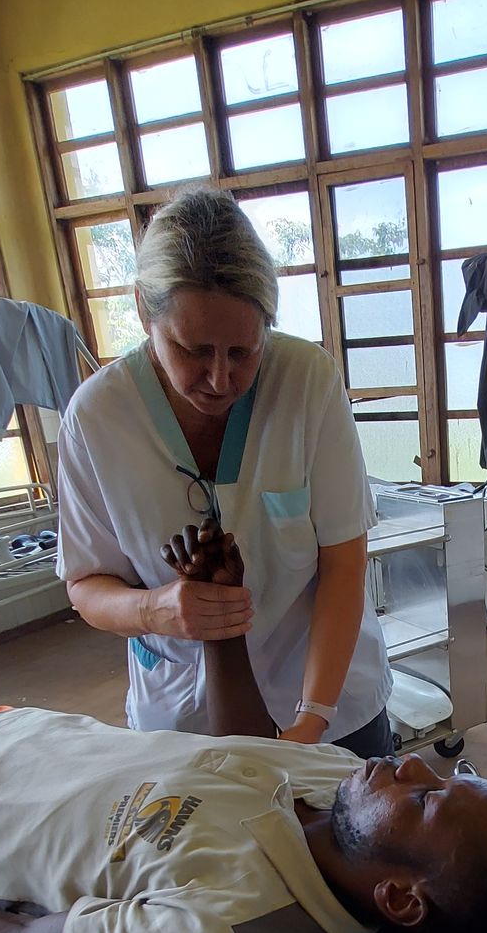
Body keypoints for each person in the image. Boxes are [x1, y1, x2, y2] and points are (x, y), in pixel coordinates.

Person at [0, 524, 487, 933]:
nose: (411, 765)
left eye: (425, 800)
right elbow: (246, 751)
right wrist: (222, 627)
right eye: (442, 779)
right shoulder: (343, 786)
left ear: (400, 899)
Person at [56, 184, 393, 755]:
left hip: (329, 705)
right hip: (179, 719)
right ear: (143, 310)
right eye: (192, 349)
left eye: (243, 352)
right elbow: (86, 585)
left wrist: (311, 722)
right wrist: (155, 609)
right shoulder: (96, 418)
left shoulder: (305, 382)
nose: (219, 378)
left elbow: (343, 560)